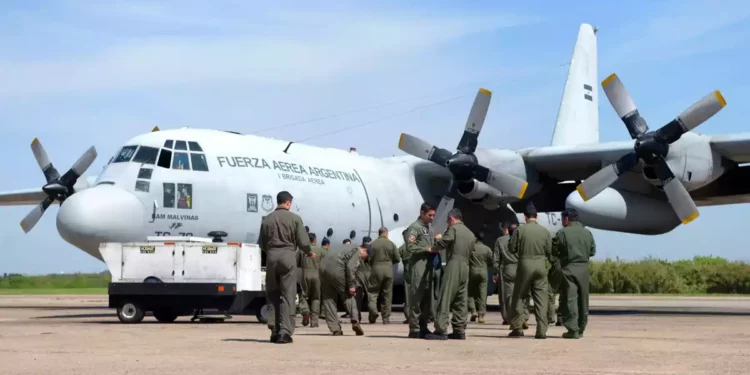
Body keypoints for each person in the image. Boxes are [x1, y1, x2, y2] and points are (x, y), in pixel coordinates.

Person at [257, 191, 314, 344]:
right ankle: (285, 332)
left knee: (273, 294)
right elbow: (304, 242)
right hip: (288, 256)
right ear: (288, 203)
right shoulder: (295, 218)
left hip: (271, 257)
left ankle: (274, 330)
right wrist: (309, 252)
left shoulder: (267, 219)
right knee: (288, 295)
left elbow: (261, 243)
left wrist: (271, 252)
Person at [424, 208, 474, 340]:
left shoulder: (453, 229)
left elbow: (444, 242)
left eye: (447, 220)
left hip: (454, 265)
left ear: (452, 218)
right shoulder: (469, 233)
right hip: (465, 267)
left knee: (445, 297)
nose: (447, 223)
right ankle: (459, 330)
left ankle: (440, 329)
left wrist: (436, 242)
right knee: (461, 299)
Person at [508, 203, 552, 339]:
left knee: (519, 296)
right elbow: (549, 251)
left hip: (525, 264)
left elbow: (512, 248)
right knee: (541, 298)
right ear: (537, 216)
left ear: (525, 216)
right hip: (540, 265)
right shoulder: (545, 231)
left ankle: (517, 328)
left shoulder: (520, 230)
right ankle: (541, 330)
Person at [553, 208, 596, 339]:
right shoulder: (587, 233)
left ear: (566, 219)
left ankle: (573, 330)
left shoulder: (562, 232)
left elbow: (555, 250)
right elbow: (592, 251)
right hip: (583, 269)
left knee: (570, 298)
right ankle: (581, 327)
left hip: (569, 268)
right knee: (583, 299)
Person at [320, 242, 372, 335]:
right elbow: (350, 267)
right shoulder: (357, 250)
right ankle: (355, 320)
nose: (364, 259)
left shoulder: (345, 247)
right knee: (348, 294)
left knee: (328, 299)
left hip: (322, 266)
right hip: (336, 267)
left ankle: (335, 329)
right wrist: (351, 285)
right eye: (366, 257)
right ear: (364, 250)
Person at [404, 202, 437, 338]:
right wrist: (426, 249)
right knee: (416, 299)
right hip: (418, 266)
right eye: (429, 215)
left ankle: (423, 326)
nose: (432, 218)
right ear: (422, 213)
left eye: (433, 215)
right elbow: (410, 247)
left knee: (426, 300)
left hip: (428, 268)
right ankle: (415, 328)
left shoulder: (429, 228)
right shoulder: (414, 228)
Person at [493, 222, 529, 327]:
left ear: (508, 230)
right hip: (521, 268)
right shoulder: (523, 240)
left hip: (507, 269)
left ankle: (511, 317)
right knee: (522, 294)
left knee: (508, 295)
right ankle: (523, 316)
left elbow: (496, 259)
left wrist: (496, 272)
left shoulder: (500, 240)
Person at [367, 227, 401, 324]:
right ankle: (386, 318)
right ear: (386, 233)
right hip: (388, 271)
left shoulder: (372, 244)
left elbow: (368, 258)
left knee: (373, 293)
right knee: (387, 295)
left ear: (379, 233)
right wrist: (389, 262)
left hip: (375, 270)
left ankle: (373, 313)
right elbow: (397, 259)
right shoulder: (391, 244)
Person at [298, 232, 326, 327]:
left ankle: (305, 312)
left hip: (305, 274)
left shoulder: (302, 251)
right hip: (317, 275)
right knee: (316, 298)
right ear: (315, 240)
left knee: (303, 296)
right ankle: (314, 322)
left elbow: (297, 262)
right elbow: (326, 264)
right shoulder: (321, 251)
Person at [468, 231, 493, 324]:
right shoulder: (487, 249)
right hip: (483, 272)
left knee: (470, 293)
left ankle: (473, 311)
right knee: (482, 294)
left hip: (472, 272)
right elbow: (491, 260)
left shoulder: (471, 248)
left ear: (475, 238)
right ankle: (481, 315)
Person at [398, 230, 411, 324]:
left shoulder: (402, 247)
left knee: (408, 296)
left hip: (408, 273)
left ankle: (409, 316)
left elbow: (396, 257)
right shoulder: (418, 245)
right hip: (418, 273)